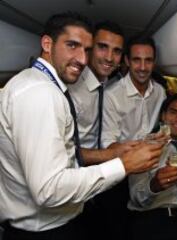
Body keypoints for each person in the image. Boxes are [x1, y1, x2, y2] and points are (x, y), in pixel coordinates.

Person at [0, 12, 162, 240]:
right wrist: (121, 163)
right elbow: (49, 189)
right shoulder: (41, 94)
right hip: (43, 227)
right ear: (47, 44)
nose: (83, 59)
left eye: (85, 49)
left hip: (72, 204)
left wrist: (113, 152)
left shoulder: (50, 86)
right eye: (72, 46)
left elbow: (61, 151)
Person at [66, 21, 136, 240]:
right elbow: (63, 151)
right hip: (75, 177)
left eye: (116, 51)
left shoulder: (108, 82)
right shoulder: (72, 88)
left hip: (101, 178)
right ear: (90, 48)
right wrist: (110, 154)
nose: (109, 57)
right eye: (102, 47)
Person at [128, 93, 177, 240]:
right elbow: (136, 198)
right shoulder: (144, 144)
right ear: (163, 116)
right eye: (173, 112)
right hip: (149, 219)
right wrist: (154, 186)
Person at [102, 36, 166, 145]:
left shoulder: (160, 92)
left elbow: (169, 121)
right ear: (127, 61)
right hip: (126, 159)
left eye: (148, 60)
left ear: (154, 62)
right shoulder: (111, 96)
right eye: (137, 60)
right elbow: (108, 143)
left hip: (154, 156)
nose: (143, 67)